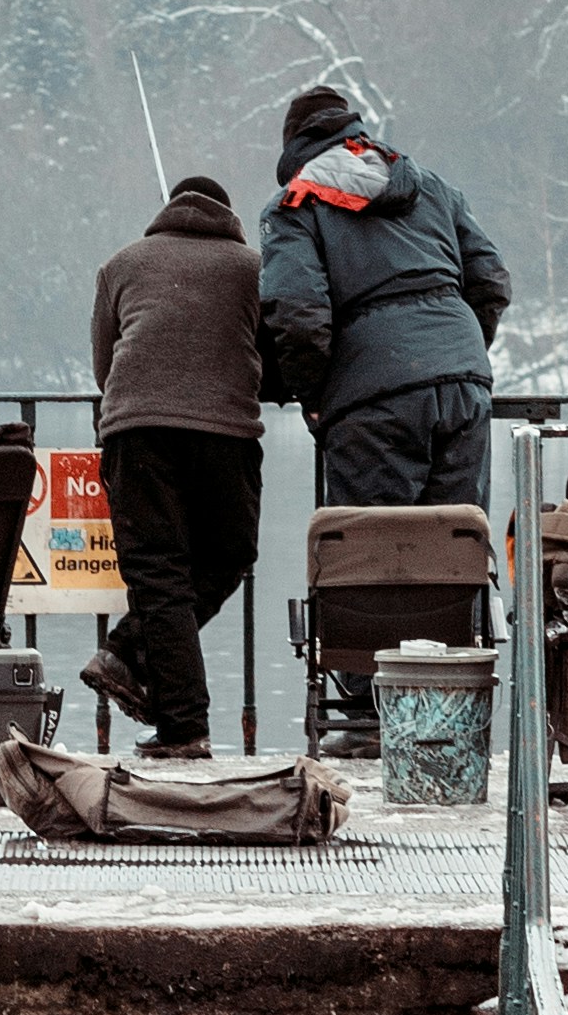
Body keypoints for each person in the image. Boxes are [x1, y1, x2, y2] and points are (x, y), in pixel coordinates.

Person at [260, 81, 514, 527]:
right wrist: (454, 353)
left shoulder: (294, 205)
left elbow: (298, 315)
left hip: (372, 399)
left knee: (374, 560)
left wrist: (314, 394)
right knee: (458, 547)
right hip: (463, 387)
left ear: (295, 146)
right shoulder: (432, 187)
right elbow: (490, 280)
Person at [83, 168, 263, 755]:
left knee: (158, 572)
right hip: (226, 433)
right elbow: (273, 345)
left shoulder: (121, 264)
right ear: (228, 217)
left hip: (136, 433)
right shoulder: (253, 269)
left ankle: (141, 669)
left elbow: (103, 366)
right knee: (230, 555)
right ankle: (172, 710)